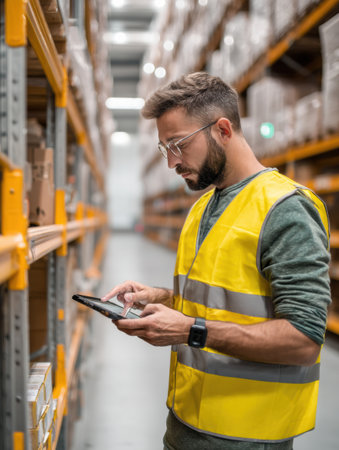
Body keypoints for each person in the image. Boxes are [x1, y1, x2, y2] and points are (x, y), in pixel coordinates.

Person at [102, 72, 331, 450]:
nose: (171, 163)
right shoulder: (202, 208)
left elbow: (304, 339)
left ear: (222, 129)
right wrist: (159, 298)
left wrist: (191, 330)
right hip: (186, 421)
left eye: (178, 144)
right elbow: (218, 303)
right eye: (164, 149)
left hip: (246, 434)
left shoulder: (286, 209)